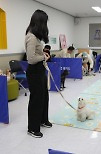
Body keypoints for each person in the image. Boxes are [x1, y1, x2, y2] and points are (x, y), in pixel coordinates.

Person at [25, 9, 52, 138]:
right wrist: (43, 57)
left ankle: (42, 120)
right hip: (34, 72)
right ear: (39, 22)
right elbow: (30, 59)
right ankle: (32, 128)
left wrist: (43, 56)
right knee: (36, 99)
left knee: (44, 97)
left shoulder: (36, 37)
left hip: (40, 70)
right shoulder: (31, 36)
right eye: (44, 22)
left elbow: (37, 54)